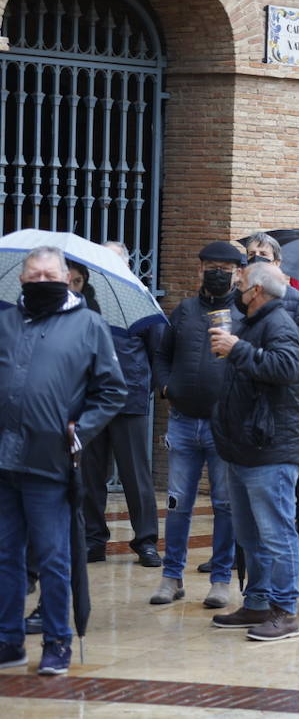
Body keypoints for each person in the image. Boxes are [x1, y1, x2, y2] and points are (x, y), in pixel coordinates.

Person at [0, 246, 126, 676]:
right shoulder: (5, 322)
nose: (40, 282)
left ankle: (57, 640)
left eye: (48, 275)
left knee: (54, 557)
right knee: (5, 555)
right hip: (3, 460)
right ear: (21, 279)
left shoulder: (89, 325)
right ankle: (8, 639)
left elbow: (112, 390)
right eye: (33, 276)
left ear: (68, 278)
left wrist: (81, 431)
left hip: (50, 460)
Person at [207, 263, 299, 642]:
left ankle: (285, 611)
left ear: (258, 291)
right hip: (242, 446)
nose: (236, 286)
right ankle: (258, 601)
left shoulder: (280, 324)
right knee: (249, 535)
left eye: (242, 282)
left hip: (270, 448)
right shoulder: (249, 321)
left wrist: (238, 349)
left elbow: (285, 367)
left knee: (277, 533)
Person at [149, 240, 244, 609]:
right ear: (199, 269)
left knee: (224, 504)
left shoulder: (246, 313)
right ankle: (171, 576)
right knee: (177, 504)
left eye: (226, 268)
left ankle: (221, 579)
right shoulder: (184, 311)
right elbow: (162, 354)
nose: (218, 273)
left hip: (225, 426)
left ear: (238, 273)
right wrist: (165, 385)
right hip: (183, 422)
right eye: (211, 267)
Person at [80, 241, 164, 569]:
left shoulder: (141, 300)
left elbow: (159, 351)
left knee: (135, 477)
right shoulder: (83, 302)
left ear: (127, 265)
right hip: (89, 402)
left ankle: (145, 543)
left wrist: (148, 389)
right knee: (89, 476)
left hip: (129, 401)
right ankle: (93, 541)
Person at [242, 232, 299, 331]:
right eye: (251, 254)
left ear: (276, 263)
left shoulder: (298, 301)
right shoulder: (239, 295)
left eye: (263, 254)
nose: (256, 258)